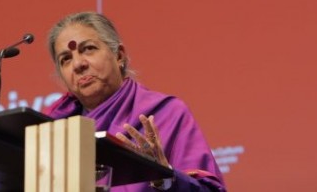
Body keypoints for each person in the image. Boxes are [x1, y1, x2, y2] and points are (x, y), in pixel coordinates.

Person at [44, 11, 226, 191]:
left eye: (89, 49)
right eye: (66, 59)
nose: (78, 64)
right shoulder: (54, 131)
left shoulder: (166, 113)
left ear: (119, 56)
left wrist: (163, 176)